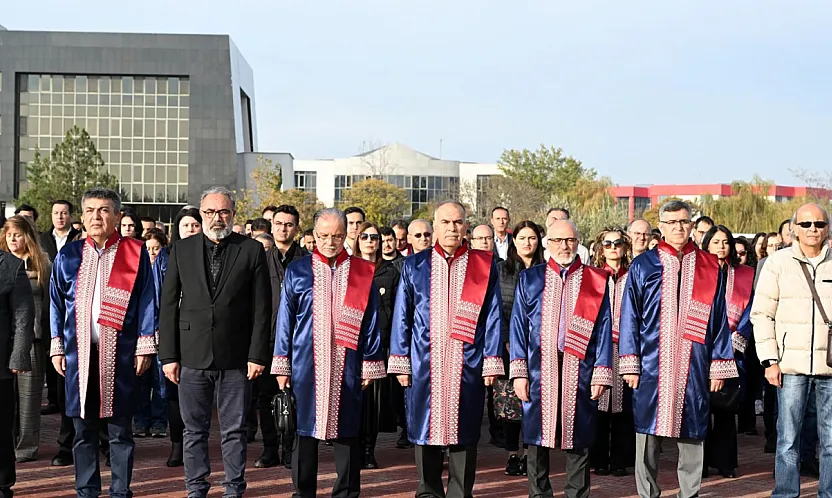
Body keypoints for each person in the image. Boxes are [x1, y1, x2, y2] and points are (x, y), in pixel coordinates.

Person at [618, 200, 737, 498]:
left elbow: (720, 317)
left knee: (694, 429)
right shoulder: (644, 264)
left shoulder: (710, 266)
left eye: (684, 222)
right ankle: (648, 492)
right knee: (647, 432)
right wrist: (630, 362)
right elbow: (629, 314)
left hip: (694, 361)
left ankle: (690, 492)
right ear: (662, 226)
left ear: (692, 224)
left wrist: (719, 363)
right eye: (671, 223)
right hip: (651, 362)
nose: (678, 228)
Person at [159, 187, 271, 498]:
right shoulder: (182, 249)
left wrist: (258, 355)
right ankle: (196, 487)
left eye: (222, 212)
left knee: (234, 431)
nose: (216, 218)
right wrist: (168, 355)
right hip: (191, 354)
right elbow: (168, 305)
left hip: (237, 356)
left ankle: (234, 487)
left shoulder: (250, 250)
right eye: (209, 212)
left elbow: (262, 308)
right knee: (193, 430)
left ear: (233, 215)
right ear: (201, 214)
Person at [389, 200, 504, 498]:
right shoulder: (414, 265)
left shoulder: (483, 264)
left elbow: (492, 314)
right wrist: (401, 359)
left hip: (468, 360)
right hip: (423, 359)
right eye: (446, 222)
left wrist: (491, 358)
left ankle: (459, 492)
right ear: (435, 226)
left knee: (465, 428)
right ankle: (428, 491)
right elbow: (403, 314)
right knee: (424, 426)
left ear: (466, 226)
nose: (452, 228)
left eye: (458, 222)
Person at [50, 187, 156, 498]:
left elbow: (148, 299)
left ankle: (121, 490)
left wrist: (145, 344)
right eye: (91, 210)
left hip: (120, 354)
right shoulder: (68, 255)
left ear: (117, 216)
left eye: (105, 210)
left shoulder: (134, 253)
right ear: (82, 217)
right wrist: (57, 344)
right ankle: (86, 489)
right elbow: (56, 303)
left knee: (120, 429)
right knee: (83, 429)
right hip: (78, 354)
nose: (97, 216)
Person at [272, 208, 385, 497]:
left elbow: (372, 320)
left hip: (348, 363)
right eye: (323, 236)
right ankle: (303, 491)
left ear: (347, 234)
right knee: (304, 432)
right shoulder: (297, 270)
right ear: (313, 235)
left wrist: (371, 362)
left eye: (336, 235)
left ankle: (347, 492)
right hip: (305, 363)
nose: (330, 242)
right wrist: (282, 365)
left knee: (348, 431)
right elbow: (285, 320)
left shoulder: (362, 272)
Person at [510, 220, 613, 498]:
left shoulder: (596, 279)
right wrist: (518, 372)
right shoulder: (531, 278)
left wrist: (602, 371)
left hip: (580, 365)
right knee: (535, 435)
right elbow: (518, 326)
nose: (564, 246)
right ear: (548, 244)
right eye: (557, 241)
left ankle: (577, 493)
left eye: (569, 240)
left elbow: (604, 327)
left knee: (578, 434)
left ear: (578, 242)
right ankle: (538, 492)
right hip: (538, 366)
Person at [752, 203, 832, 498]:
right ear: (794, 229)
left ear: (827, 229)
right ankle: (785, 493)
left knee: (831, 441)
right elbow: (761, 314)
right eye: (807, 224)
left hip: (830, 365)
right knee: (787, 439)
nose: (813, 229)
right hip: (790, 366)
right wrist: (770, 360)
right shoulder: (778, 262)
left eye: (820, 224)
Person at [256, 205, 308, 470]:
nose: (283, 228)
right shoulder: (260, 260)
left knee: (295, 397)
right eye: (279, 223)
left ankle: (291, 449)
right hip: (266, 339)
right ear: (271, 226)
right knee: (265, 398)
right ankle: (269, 449)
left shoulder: (307, 261)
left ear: (296, 228)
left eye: (289, 224)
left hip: (300, 341)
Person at [700, 225, 754, 480]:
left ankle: (725, 463)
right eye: (716, 241)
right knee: (699, 409)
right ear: (707, 245)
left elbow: (751, 311)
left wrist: (736, 339)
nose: (721, 246)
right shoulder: (696, 273)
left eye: (725, 242)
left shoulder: (744, 275)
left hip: (732, 349)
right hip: (700, 347)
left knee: (725, 409)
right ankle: (698, 465)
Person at [495, 221, 544, 476]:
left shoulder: (545, 272)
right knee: (511, 404)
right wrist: (506, 338)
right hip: (508, 347)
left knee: (534, 402)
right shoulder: (502, 271)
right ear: (514, 241)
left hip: (539, 348)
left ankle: (531, 452)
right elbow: (497, 310)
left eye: (532, 238)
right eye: (522, 237)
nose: (527, 242)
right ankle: (513, 454)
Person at [349, 222, 400, 469]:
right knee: (356, 398)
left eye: (374, 237)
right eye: (365, 236)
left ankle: (369, 449)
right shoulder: (350, 269)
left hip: (382, 342)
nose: (370, 241)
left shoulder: (390, 270)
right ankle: (355, 447)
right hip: (355, 341)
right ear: (357, 240)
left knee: (374, 403)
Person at [1, 217, 48, 463]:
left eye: (18, 234)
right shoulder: (2, 263)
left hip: (34, 337)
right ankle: (7, 444)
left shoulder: (43, 263)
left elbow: (52, 301)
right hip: (5, 339)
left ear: (27, 236)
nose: (12, 239)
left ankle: (26, 448)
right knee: (7, 400)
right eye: (9, 235)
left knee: (29, 398)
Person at [158, 207, 203, 468]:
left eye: (194, 225)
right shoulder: (165, 257)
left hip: (198, 336)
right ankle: (177, 444)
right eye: (185, 226)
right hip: (172, 333)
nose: (190, 230)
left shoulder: (208, 255)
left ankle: (195, 443)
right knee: (174, 393)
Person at [590, 227, 636, 478]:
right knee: (599, 401)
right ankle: (598, 458)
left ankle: (620, 459)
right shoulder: (593, 276)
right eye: (607, 244)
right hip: (600, 346)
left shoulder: (633, 275)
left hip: (627, 346)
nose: (613, 248)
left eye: (618, 243)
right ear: (600, 248)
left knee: (623, 406)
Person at [0, 239, 35, 498]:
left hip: (0, 364)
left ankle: (2, 485)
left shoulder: (10, 266)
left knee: (1, 428)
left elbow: (23, 318)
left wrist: (18, 358)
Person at [39, 200, 80, 416]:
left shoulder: (79, 239)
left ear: (71, 216)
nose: (60, 217)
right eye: (56, 213)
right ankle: (54, 398)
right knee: (51, 349)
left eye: (64, 213)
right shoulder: (42, 239)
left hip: (73, 301)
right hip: (48, 298)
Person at [134, 228, 169, 440]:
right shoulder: (138, 269)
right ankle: (140, 420)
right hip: (141, 331)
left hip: (162, 331)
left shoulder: (167, 267)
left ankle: (158, 421)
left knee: (161, 380)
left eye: (156, 248)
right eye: (148, 249)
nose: (152, 253)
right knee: (141, 378)